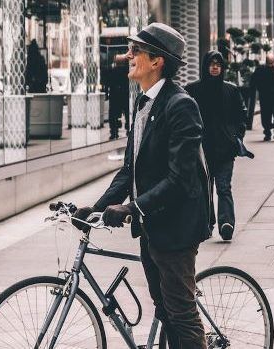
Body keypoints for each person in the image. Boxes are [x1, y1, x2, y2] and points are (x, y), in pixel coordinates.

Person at [71, 23, 211, 348]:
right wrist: (98, 207)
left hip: (176, 229)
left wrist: (132, 207)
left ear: (156, 60)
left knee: (181, 313)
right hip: (152, 227)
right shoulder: (143, 104)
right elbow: (128, 172)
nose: (128, 55)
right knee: (165, 311)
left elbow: (180, 180)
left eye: (135, 50)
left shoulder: (181, 106)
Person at [185, 50, 246, 241]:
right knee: (204, 189)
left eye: (218, 64)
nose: (215, 67)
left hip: (225, 149)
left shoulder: (231, 90)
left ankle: (226, 223)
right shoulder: (193, 90)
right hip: (201, 150)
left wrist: (236, 136)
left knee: (223, 187)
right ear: (205, 66)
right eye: (211, 64)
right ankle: (207, 223)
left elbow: (241, 117)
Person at [250, 53, 274, 141]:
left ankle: (273, 132)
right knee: (271, 115)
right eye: (269, 64)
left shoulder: (262, 70)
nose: (270, 66)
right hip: (269, 97)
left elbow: (253, 81)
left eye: (271, 64)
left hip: (270, 97)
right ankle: (271, 132)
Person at [104, 53, 130, 139]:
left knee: (113, 115)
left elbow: (107, 83)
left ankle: (114, 132)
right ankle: (128, 130)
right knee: (127, 113)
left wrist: (107, 94)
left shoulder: (111, 71)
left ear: (115, 62)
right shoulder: (127, 71)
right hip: (125, 95)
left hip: (114, 95)